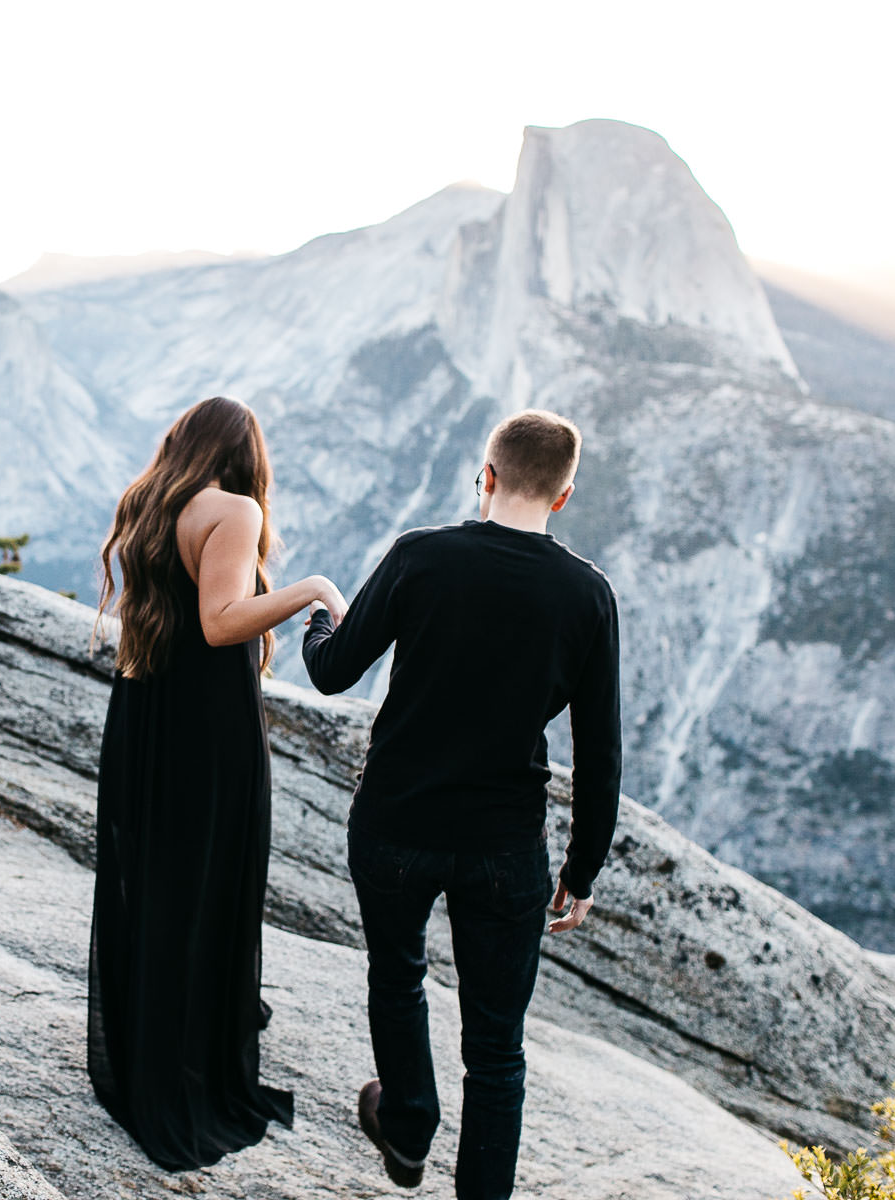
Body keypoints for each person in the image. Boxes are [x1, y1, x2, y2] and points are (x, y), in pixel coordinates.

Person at [300, 409, 621, 1199]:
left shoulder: (422, 556)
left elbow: (334, 672)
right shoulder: (586, 594)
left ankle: (407, 1130)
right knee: (497, 1050)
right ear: (565, 495)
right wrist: (580, 872)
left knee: (397, 973)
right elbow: (601, 752)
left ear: (486, 474)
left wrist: (317, 621)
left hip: (396, 820)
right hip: (504, 845)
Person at [88, 395, 345, 1169]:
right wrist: (312, 589)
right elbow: (221, 621)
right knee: (207, 885)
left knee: (159, 883)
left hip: (145, 711)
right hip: (207, 727)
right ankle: (190, 1072)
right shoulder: (233, 510)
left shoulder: (150, 499)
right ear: (247, 453)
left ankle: (150, 1055)